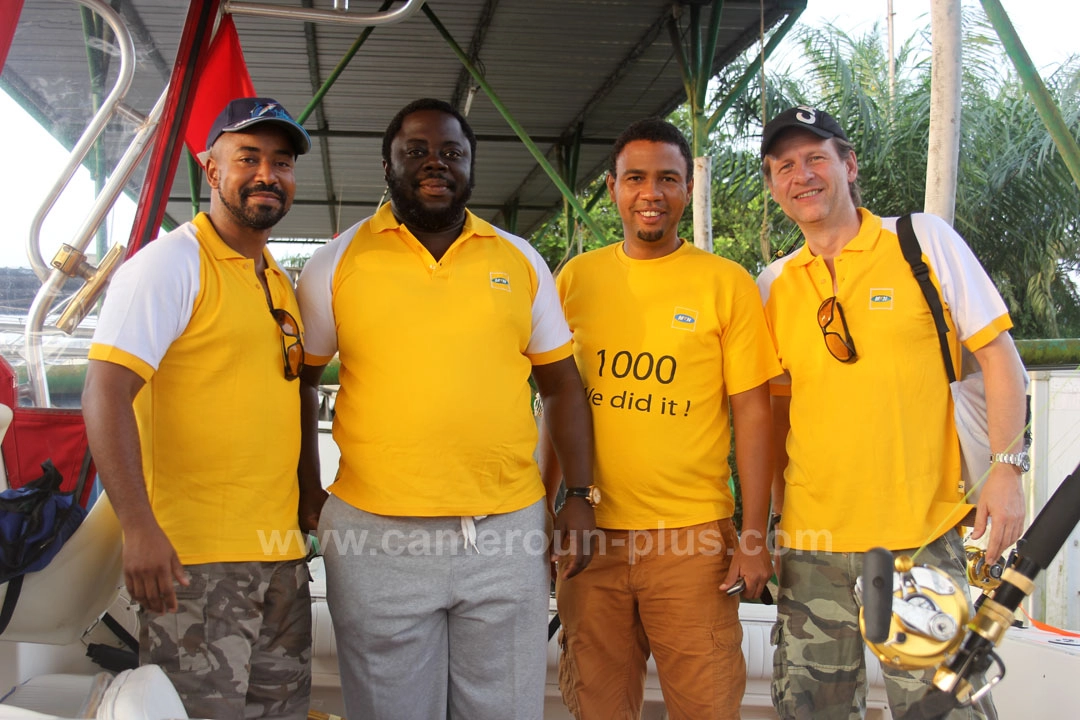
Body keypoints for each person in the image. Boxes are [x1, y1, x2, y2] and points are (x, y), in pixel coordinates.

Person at [294, 97, 594, 720]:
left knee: (505, 709)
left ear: (471, 167)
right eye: (417, 151)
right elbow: (298, 382)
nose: (436, 164)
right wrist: (306, 487)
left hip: (505, 530)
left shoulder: (518, 259)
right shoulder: (336, 263)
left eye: (452, 152)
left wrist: (579, 497)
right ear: (388, 165)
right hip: (376, 533)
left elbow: (563, 386)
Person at [757, 105, 1028, 720]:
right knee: (811, 711)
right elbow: (775, 417)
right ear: (774, 187)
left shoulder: (921, 241)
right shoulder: (771, 285)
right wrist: (769, 524)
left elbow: (1000, 358)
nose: (803, 175)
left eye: (816, 158)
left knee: (945, 710)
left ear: (849, 165)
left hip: (919, 539)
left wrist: (1008, 473)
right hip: (811, 546)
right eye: (785, 166)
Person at [82, 97, 314, 720]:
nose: (267, 174)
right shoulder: (171, 264)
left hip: (279, 550)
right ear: (211, 169)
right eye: (249, 158)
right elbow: (105, 391)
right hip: (195, 560)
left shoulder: (276, 280)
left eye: (282, 162)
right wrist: (139, 528)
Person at [543, 117, 781, 720]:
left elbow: (754, 414)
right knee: (597, 705)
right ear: (614, 187)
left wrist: (755, 535)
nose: (652, 192)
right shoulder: (574, 279)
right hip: (591, 533)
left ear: (686, 188)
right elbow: (555, 402)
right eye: (636, 178)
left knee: (706, 705)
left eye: (668, 179)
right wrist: (545, 516)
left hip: (692, 540)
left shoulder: (725, 283)